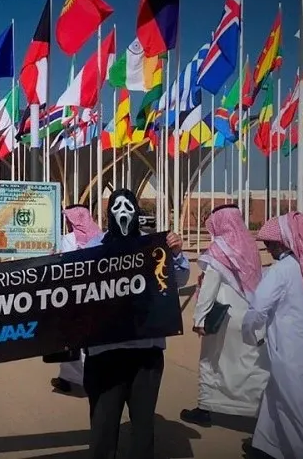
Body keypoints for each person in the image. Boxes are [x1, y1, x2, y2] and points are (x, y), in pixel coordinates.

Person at [82, 189, 190, 459]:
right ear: (109, 213)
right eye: (116, 206)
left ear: (136, 211)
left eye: (128, 205)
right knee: (103, 425)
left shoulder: (153, 246)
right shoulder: (94, 245)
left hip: (145, 352)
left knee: (142, 425)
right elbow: (72, 284)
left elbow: (179, 279)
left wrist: (175, 252)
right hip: (105, 353)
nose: (122, 211)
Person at [243, 212, 303, 459]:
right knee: (275, 398)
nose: (268, 249)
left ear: (283, 241)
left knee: (302, 414)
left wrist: (248, 333)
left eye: (270, 244)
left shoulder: (281, 270)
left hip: (289, 353)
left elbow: (258, 307)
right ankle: (266, 448)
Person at [181, 204, 269, 427]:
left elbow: (210, 286)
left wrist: (199, 319)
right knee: (250, 365)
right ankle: (261, 413)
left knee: (210, 362)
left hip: (221, 317)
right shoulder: (249, 244)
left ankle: (204, 408)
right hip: (248, 315)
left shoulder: (220, 248)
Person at [50, 205, 102, 394]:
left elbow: (64, 265)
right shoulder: (101, 237)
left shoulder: (68, 240)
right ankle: (77, 378)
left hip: (74, 296)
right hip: (95, 296)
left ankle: (72, 379)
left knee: (74, 340)